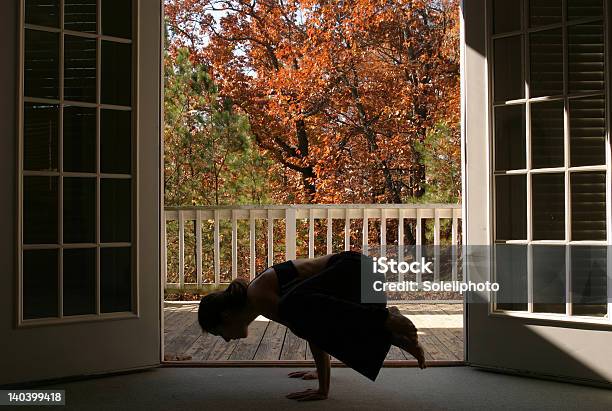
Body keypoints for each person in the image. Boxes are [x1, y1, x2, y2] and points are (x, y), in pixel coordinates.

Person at [198, 250, 426, 401]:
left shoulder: (258, 295)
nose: (227, 339)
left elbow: (311, 330)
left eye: (220, 334)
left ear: (226, 316)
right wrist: (319, 371)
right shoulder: (258, 296)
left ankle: (386, 318)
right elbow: (319, 323)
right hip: (364, 280)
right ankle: (394, 333)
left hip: (360, 274)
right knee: (306, 317)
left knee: (296, 313)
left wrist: (323, 389)